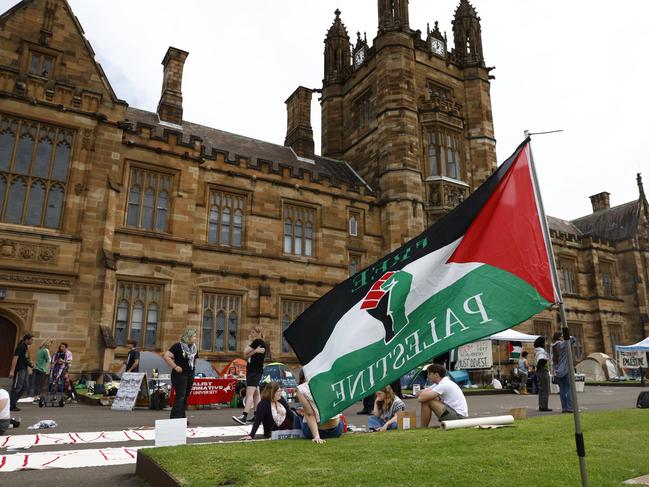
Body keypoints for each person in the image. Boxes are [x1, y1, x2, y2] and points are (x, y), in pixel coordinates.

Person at [295, 369, 343, 443]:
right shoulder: (330, 382)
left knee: (299, 413)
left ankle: (295, 433)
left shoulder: (302, 388)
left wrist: (317, 437)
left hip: (317, 432)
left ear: (302, 378)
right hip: (336, 430)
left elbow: (310, 414)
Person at [232, 327, 266, 425]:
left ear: (258, 333)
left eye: (252, 332)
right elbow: (246, 356)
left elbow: (245, 352)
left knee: (249, 394)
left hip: (254, 372)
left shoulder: (257, 341)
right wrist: (255, 351)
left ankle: (244, 416)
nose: (251, 334)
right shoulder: (258, 344)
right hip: (255, 371)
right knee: (256, 394)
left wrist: (252, 351)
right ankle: (257, 415)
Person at [164, 329, 198, 419]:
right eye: (194, 336)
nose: (195, 338)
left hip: (190, 373)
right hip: (179, 374)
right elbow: (166, 356)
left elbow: (195, 360)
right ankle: (175, 417)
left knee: (185, 396)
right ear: (188, 337)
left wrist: (193, 369)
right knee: (180, 395)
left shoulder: (194, 348)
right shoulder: (178, 346)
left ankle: (182, 418)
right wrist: (175, 366)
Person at [9, 333, 34, 412]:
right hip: (19, 370)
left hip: (24, 369)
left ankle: (12, 403)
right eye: (31, 340)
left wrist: (30, 366)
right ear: (27, 339)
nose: (32, 341)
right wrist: (12, 371)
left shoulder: (25, 347)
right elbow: (15, 358)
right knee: (17, 387)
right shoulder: (20, 346)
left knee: (24, 387)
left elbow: (25, 359)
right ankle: (11, 405)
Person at [552, 331, 576, 413]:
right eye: (562, 335)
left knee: (562, 390)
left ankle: (564, 408)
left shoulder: (553, 346)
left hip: (557, 370)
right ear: (559, 337)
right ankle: (570, 407)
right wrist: (567, 334)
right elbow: (573, 339)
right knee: (569, 389)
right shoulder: (562, 344)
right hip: (565, 369)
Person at [534, 336, 552, 412]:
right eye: (545, 342)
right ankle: (544, 406)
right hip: (543, 370)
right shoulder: (541, 351)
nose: (546, 343)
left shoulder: (537, 351)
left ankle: (542, 405)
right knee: (545, 389)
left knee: (541, 389)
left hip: (539, 371)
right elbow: (541, 360)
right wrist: (540, 367)